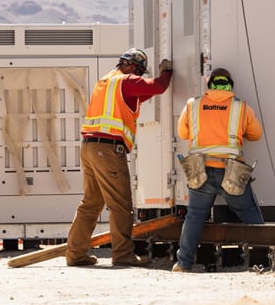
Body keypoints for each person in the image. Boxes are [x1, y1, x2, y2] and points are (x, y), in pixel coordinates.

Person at [65, 48, 173, 268]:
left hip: (89, 148)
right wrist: (167, 72)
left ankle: (75, 254)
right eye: (140, 73)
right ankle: (123, 254)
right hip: (108, 151)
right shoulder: (127, 81)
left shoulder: (105, 82)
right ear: (133, 67)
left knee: (90, 204)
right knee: (121, 206)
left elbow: (143, 94)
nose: (140, 77)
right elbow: (159, 87)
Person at [173, 67, 264, 272]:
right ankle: (262, 260)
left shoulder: (192, 105)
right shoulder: (241, 107)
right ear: (230, 84)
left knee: (195, 216)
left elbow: (182, 133)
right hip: (230, 171)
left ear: (209, 84)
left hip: (200, 171)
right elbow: (256, 135)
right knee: (250, 214)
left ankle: (183, 263)